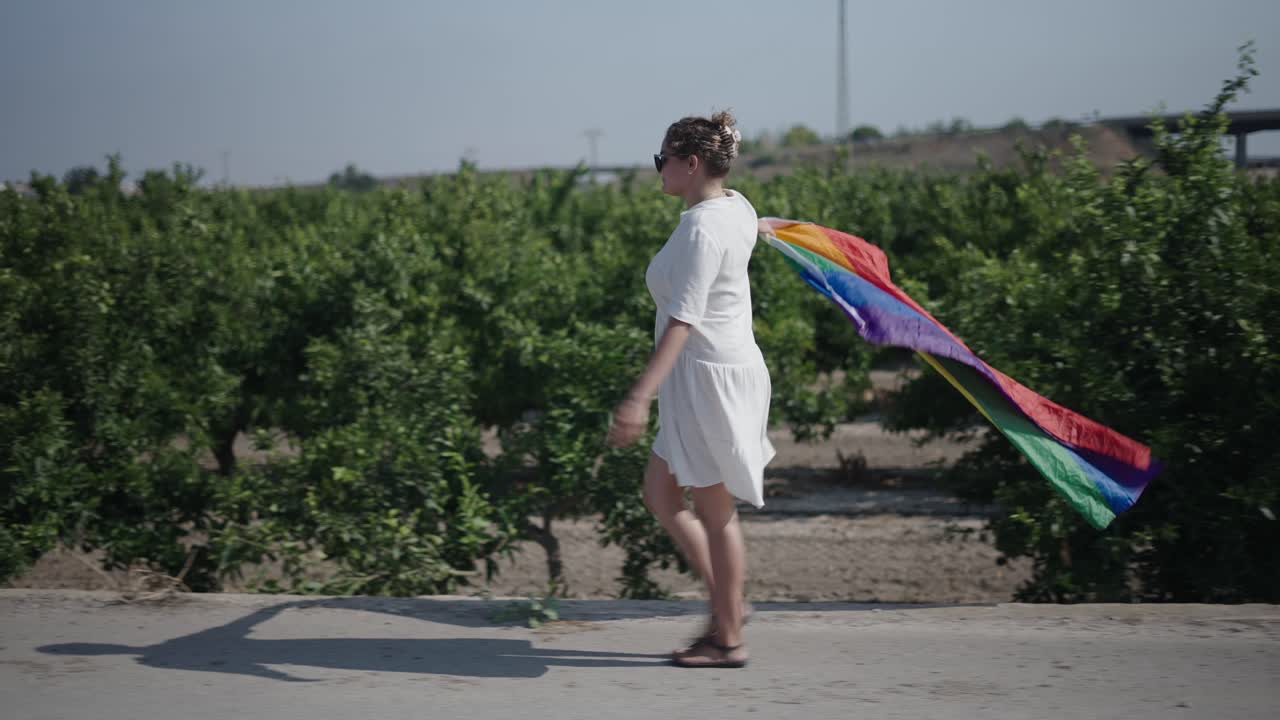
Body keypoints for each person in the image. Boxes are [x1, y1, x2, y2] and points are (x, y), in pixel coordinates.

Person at [606, 109, 775, 669]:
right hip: (709, 375)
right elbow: (751, 226)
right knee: (660, 492)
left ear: (691, 163)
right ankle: (730, 606)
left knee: (715, 509)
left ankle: (728, 639)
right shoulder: (735, 208)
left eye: (663, 160)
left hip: (708, 379)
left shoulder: (704, 227)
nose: (658, 169)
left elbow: (683, 320)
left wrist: (638, 398)